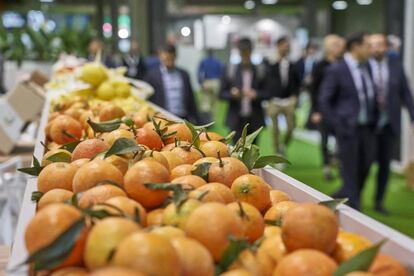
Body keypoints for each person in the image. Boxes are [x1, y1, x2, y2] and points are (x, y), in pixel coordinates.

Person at [319, 32, 377, 210]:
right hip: (347, 129)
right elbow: (324, 99)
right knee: (350, 171)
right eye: (367, 45)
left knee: (366, 166)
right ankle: (355, 211)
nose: (371, 50)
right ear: (356, 47)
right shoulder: (337, 69)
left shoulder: (366, 67)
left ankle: (341, 196)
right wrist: (337, 125)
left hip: (367, 128)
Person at [369, 33, 414, 213]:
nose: (376, 48)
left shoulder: (395, 65)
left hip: (389, 124)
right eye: (372, 45)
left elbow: (405, 92)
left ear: (386, 47)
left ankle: (379, 201)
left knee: (384, 165)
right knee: (363, 164)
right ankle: (353, 198)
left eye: (380, 44)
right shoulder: (364, 66)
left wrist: (413, 117)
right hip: (367, 126)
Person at [309, 34, 345, 180]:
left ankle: (340, 163)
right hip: (324, 109)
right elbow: (314, 89)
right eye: (335, 45)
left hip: (341, 110)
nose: (339, 48)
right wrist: (316, 110)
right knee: (324, 139)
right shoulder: (319, 66)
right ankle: (327, 167)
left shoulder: (344, 64)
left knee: (341, 139)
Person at [219, 37, 269, 141]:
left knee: (252, 151)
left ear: (251, 52)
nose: (245, 57)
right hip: (236, 118)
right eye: (243, 54)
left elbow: (268, 93)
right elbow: (221, 93)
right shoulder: (230, 69)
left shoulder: (260, 70)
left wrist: (256, 94)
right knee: (235, 152)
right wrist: (232, 94)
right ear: (239, 53)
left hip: (254, 118)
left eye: (247, 53)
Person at [144, 44, 200, 124]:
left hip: (182, 117)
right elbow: (147, 98)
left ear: (175, 56)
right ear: (160, 57)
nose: (169, 61)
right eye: (166, 58)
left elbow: (191, 97)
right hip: (162, 118)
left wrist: (196, 119)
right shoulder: (152, 75)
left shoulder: (184, 74)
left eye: (171, 58)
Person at [265, 36, 301, 155]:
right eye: (285, 46)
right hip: (273, 100)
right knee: (275, 129)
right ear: (278, 46)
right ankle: (277, 152)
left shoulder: (292, 64)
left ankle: (283, 146)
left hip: (288, 100)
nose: (287, 48)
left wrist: (295, 96)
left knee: (291, 127)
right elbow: (265, 81)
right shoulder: (270, 62)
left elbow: (297, 82)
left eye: (288, 46)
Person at [197, 49, 223, 122]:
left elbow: (199, 72)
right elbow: (221, 73)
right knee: (214, 103)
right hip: (216, 82)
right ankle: (212, 120)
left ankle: (205, 119)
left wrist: (200, 82)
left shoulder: (204, 61)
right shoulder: (217, 61)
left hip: (207, 81)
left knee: (206, 102)